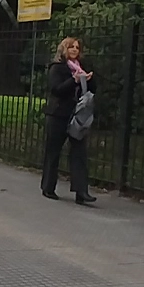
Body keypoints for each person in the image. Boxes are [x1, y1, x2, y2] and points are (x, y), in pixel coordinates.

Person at [41, 36, 97, 205]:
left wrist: (89, 80)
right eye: (71, 47)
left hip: (77, 116)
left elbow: (91, 91)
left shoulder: (81, 68)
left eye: (77, 48)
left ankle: (81, 192)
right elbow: (56, 89)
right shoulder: (57, 68)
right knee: (53, 151)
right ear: (64, 49)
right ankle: (48, 187)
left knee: (79, 152)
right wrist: (73, 80)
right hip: (58, 114)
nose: (74, 50)